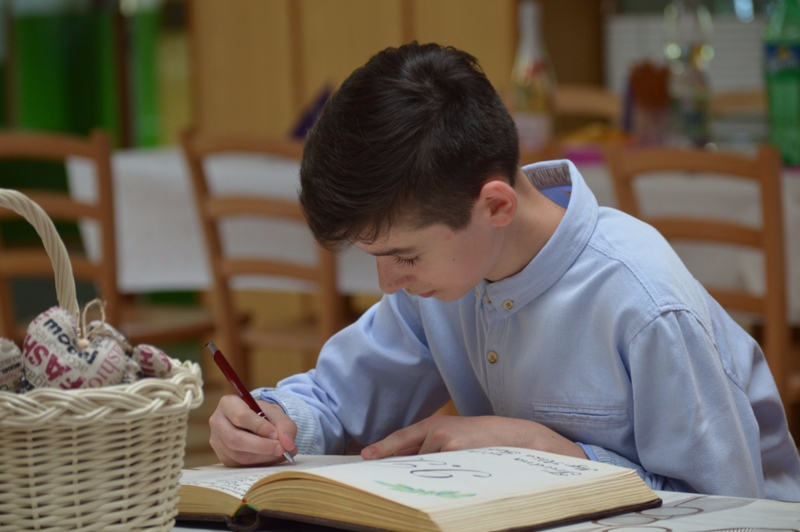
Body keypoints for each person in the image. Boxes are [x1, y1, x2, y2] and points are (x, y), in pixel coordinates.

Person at [209, 42, 800, 500]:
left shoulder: (645, 303)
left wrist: (540, 451)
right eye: (378, 258)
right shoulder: (445, 280)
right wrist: (275, 420)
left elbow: (726, 507)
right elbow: (340, 398)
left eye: (404, 257)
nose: (389, 284)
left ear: (495, 206)